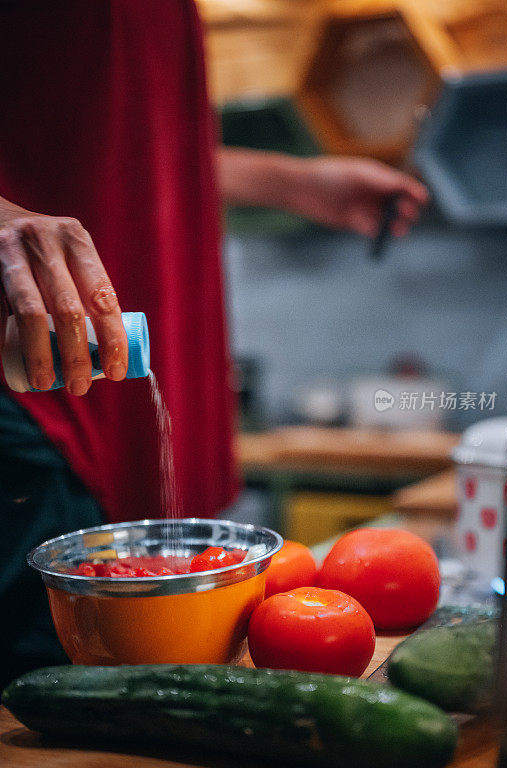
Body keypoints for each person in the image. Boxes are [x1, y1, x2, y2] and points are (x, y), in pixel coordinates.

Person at [0, 0, 428, 687]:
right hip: (38, 398)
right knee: (51, 709)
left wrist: (291, 181)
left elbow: (125, 142)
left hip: (112, 377)